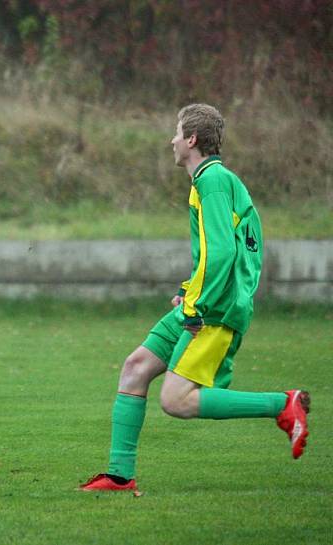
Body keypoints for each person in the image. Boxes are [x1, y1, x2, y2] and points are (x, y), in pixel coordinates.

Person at [80, 104, 311, 493]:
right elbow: (217, 253)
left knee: (176, 401)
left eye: (176, 133)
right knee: (135, 367)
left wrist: (196, 305)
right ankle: (119, 476)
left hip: (212, 311)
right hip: (203, 302)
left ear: (191, 140)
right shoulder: (209, 180)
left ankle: (284, 404)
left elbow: (222, 253)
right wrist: (190, 291)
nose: (171, 140)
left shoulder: (213, 181)